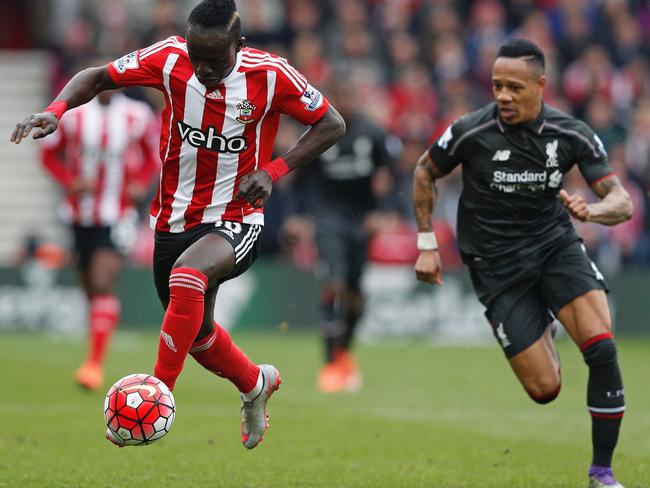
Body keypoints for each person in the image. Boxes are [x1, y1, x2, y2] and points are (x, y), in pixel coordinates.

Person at [11, 0, 345, 450]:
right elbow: (96, 76)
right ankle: (255, 383)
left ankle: (156, 393)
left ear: (239, 45)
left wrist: (273, 171)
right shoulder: (168, 57)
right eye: (196, 56)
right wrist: (57, 109)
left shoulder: (271, 73)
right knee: (197, 334)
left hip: (236, 216)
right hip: (172, 218)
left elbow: (331, 123)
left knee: (189, 277)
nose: (203, 68)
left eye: (215, 58)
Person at [412, 39, 631, 488]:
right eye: (496, 86)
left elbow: (621, 202)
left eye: (514, 86)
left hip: (555, 247)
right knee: (544, 391)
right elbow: (424, 170)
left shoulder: (571, 134)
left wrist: (594, 211)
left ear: (541, 86)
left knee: (602, 347)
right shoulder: (470, 132)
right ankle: (543, 324)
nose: (504, 96)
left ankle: (602, 473)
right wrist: (427, 243)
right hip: (495, 267)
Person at [40, 89, 159, 391]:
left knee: (102, 280)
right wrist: (70, 182)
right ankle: (101, 331)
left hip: (118, 214)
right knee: (90, 286)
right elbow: (48, 155)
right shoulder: (74, 117)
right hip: (79, 215)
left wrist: (141, 184)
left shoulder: (137, 115)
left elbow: (154, 156)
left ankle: (93, 364)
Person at [285, 80, 395, 392]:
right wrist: (296, 216)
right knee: (334, 282)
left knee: (355, 296)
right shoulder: (320, 131)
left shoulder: (374, 133)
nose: (345, 101)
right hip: (327, 217)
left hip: (361, 220)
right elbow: (299, 178)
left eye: (350, 95)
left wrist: (383, 210)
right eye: (340, 95)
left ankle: (344, 353)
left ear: (358, 97)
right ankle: (331, 363)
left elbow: (390, 174)